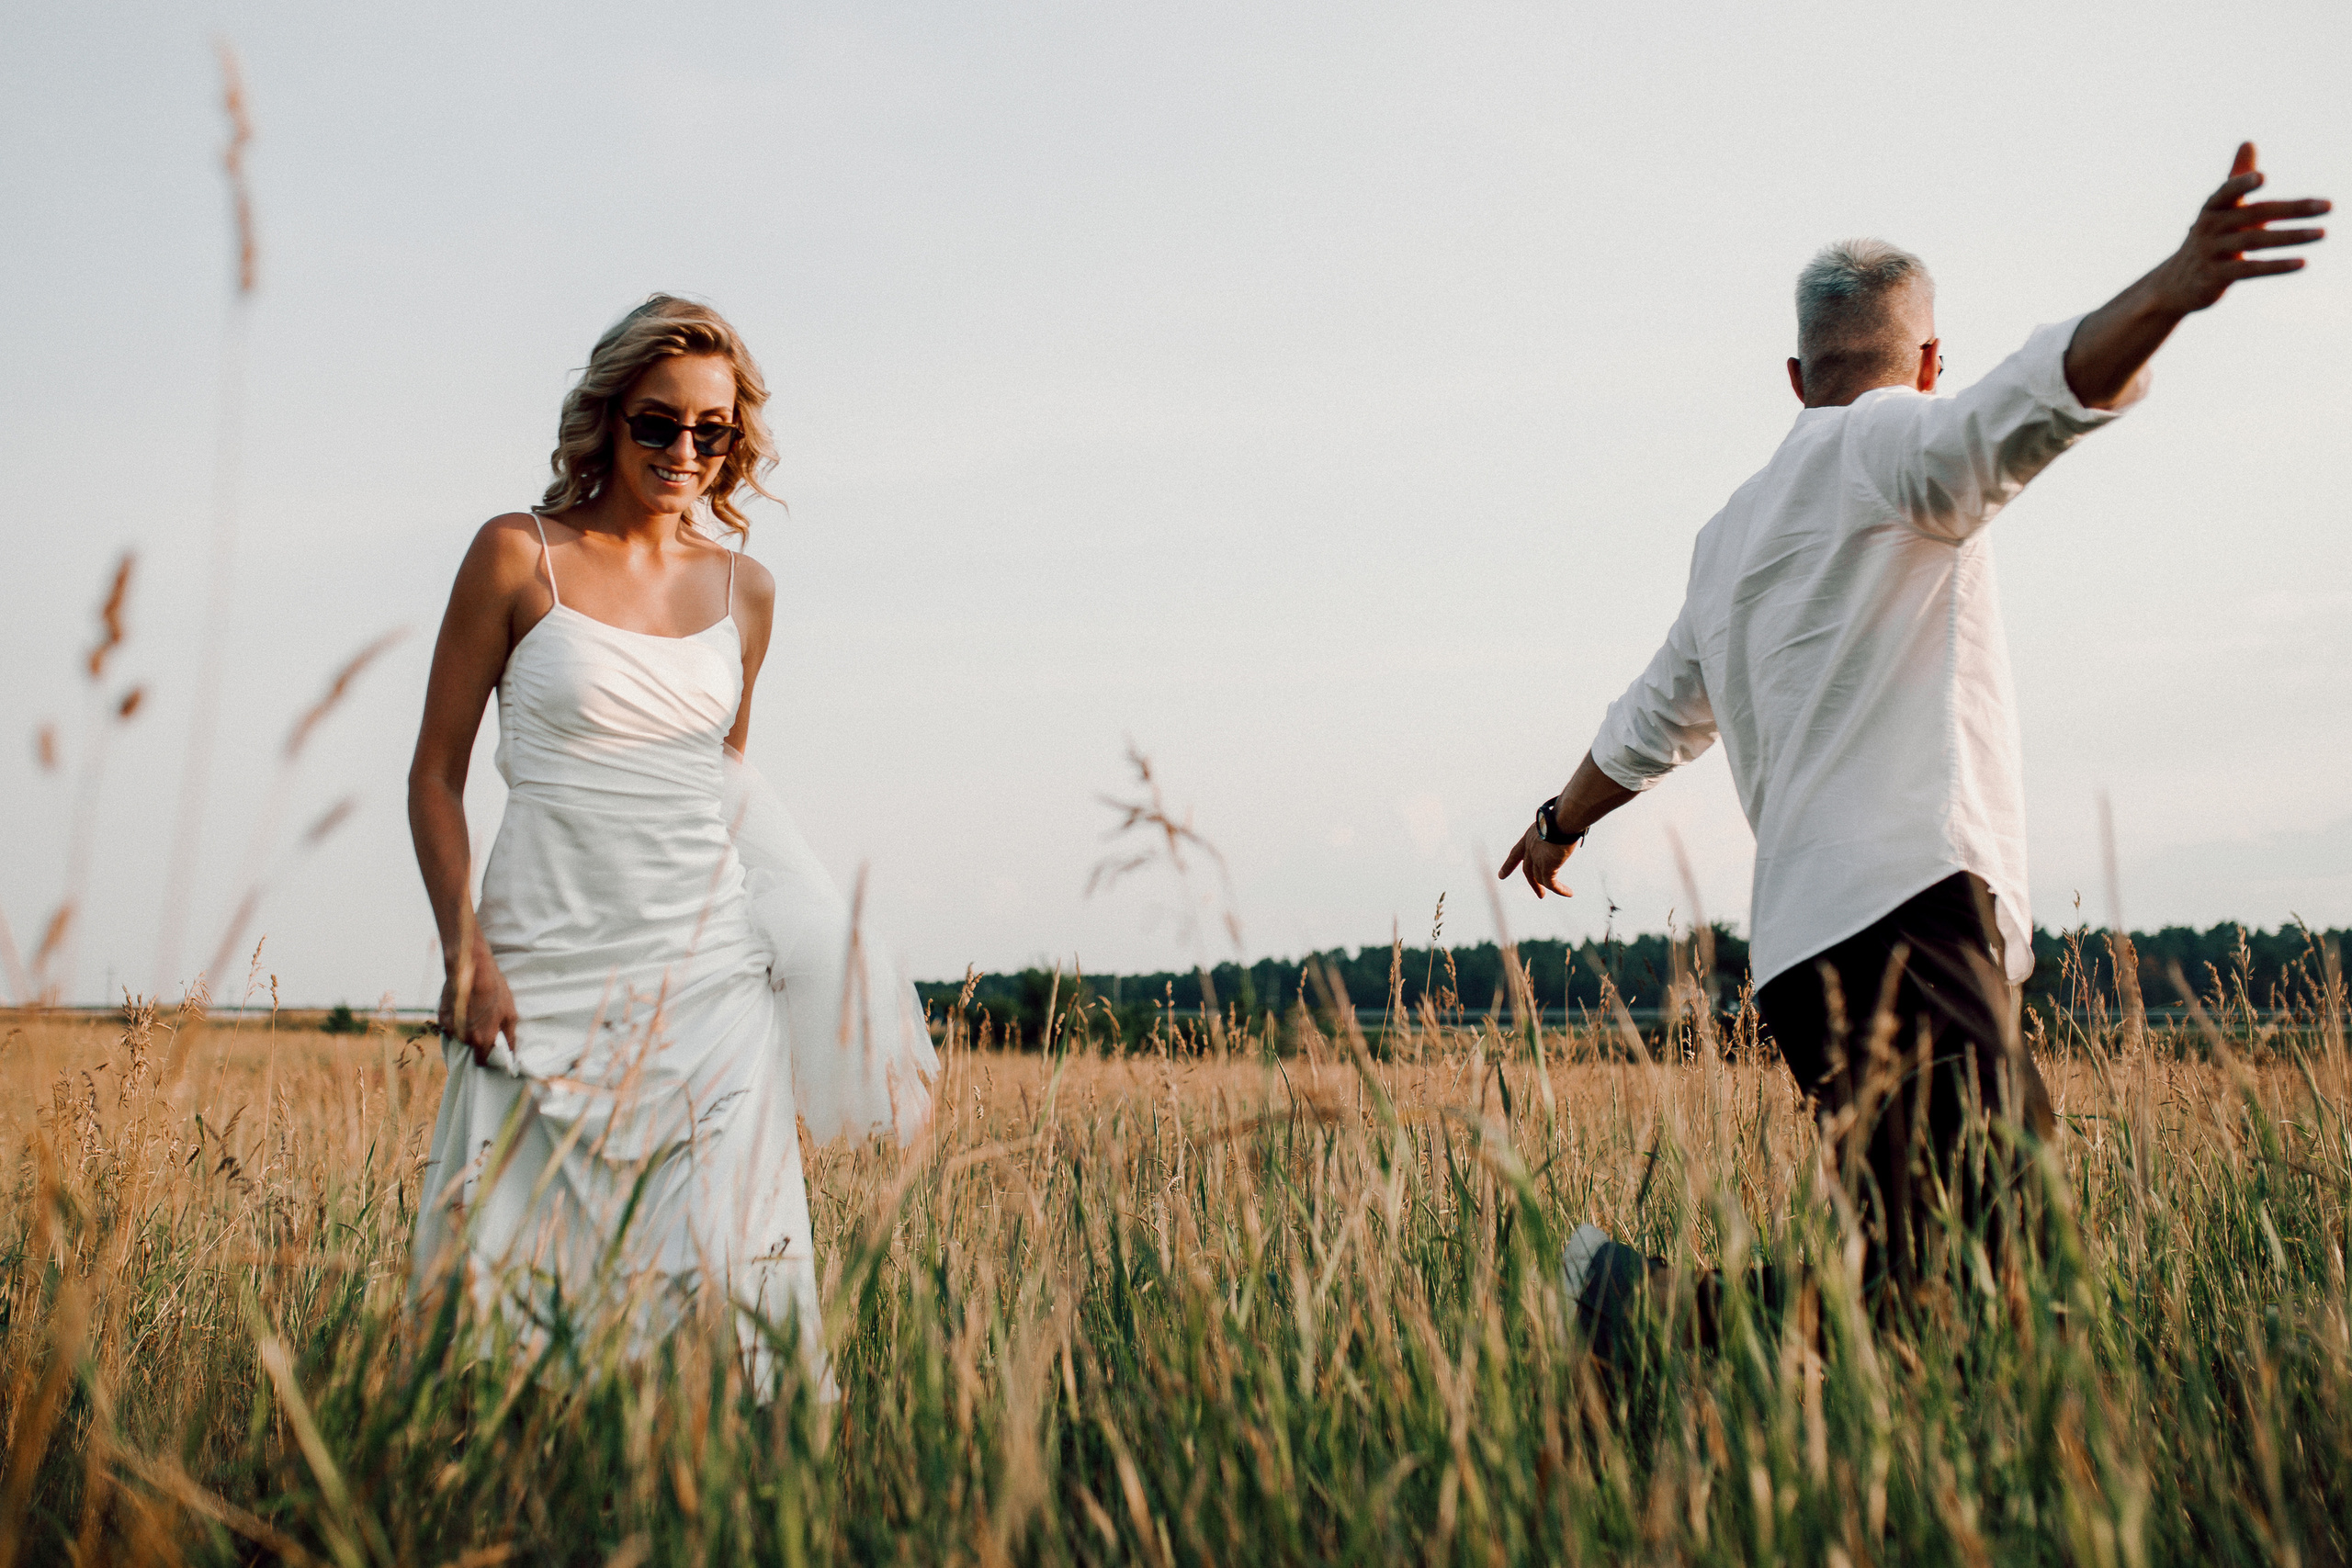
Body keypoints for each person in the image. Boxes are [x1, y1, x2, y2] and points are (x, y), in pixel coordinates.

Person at [1501, 145, 2327, 1315]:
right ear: (1927, 360)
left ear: (1795, 374)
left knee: (1924, 1279)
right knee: (1995, 1279)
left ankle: (1643, 1319)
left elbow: (1650, 720)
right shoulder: (1893, 442)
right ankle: (1633, 1313)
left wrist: (1554, 823)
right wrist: (2169, 287)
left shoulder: (1726, 537)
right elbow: (2012, 417)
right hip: (1908, 918)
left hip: (1799, 958)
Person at [405, 295, 937, 1384]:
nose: (684, 450)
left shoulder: (747, 593)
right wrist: (467, 956)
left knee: (728, 1292)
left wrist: (816, 948)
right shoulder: (517, 556)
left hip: (707, 987)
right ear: (607, 418)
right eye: (658, 423)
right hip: (538, 974)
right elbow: (433, 778)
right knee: (508, 1300)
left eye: (713, 430)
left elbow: (724, 784)